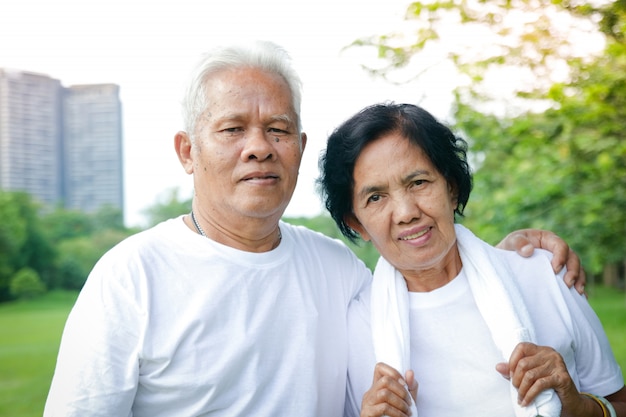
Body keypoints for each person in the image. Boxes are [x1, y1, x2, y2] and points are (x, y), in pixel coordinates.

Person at [44, 42, 582, 417]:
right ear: (188, 151)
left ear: (299, 150)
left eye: (278, 129)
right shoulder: (130, 276)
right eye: (232, 129)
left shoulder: (335, 269)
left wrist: (510, 255)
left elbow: (426, 269)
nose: (259, 146)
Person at [318, 102, 625, 417]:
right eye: (376, 198)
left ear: (451, 188)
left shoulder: (544, 273)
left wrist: (579, 408)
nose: (407, 212)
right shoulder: (358, 327)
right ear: (357, 224)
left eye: (418, 183)